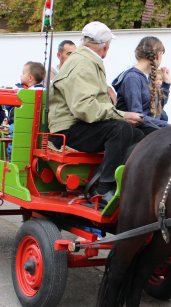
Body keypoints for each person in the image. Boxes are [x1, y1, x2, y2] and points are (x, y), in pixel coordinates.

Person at [47, 21, 144, 206]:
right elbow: (84, 108)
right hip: (66, 131)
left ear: (84, 40)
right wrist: (122, 115)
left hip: (77, 125)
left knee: (137, 134)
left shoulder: (85, 59)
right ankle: (103, 188)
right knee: (120, 129)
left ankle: (119, 183)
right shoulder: (83, 64)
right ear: (106, 46)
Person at [111, 36, 170, 136]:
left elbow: (157, 109)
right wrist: (167, 126)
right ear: (158, 56)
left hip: (150, 131)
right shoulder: (132, 78)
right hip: (137, 134)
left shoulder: (148, 77)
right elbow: (137, 117)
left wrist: (166, 84)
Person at [7, 62, 46, 160]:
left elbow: (7, 105)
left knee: (13, 142)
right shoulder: (44, 91)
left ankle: (11, 160)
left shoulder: (21, 92)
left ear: (30, 78)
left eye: (23, 73)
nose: (21, 75)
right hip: (38, 126)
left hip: (18, 124)